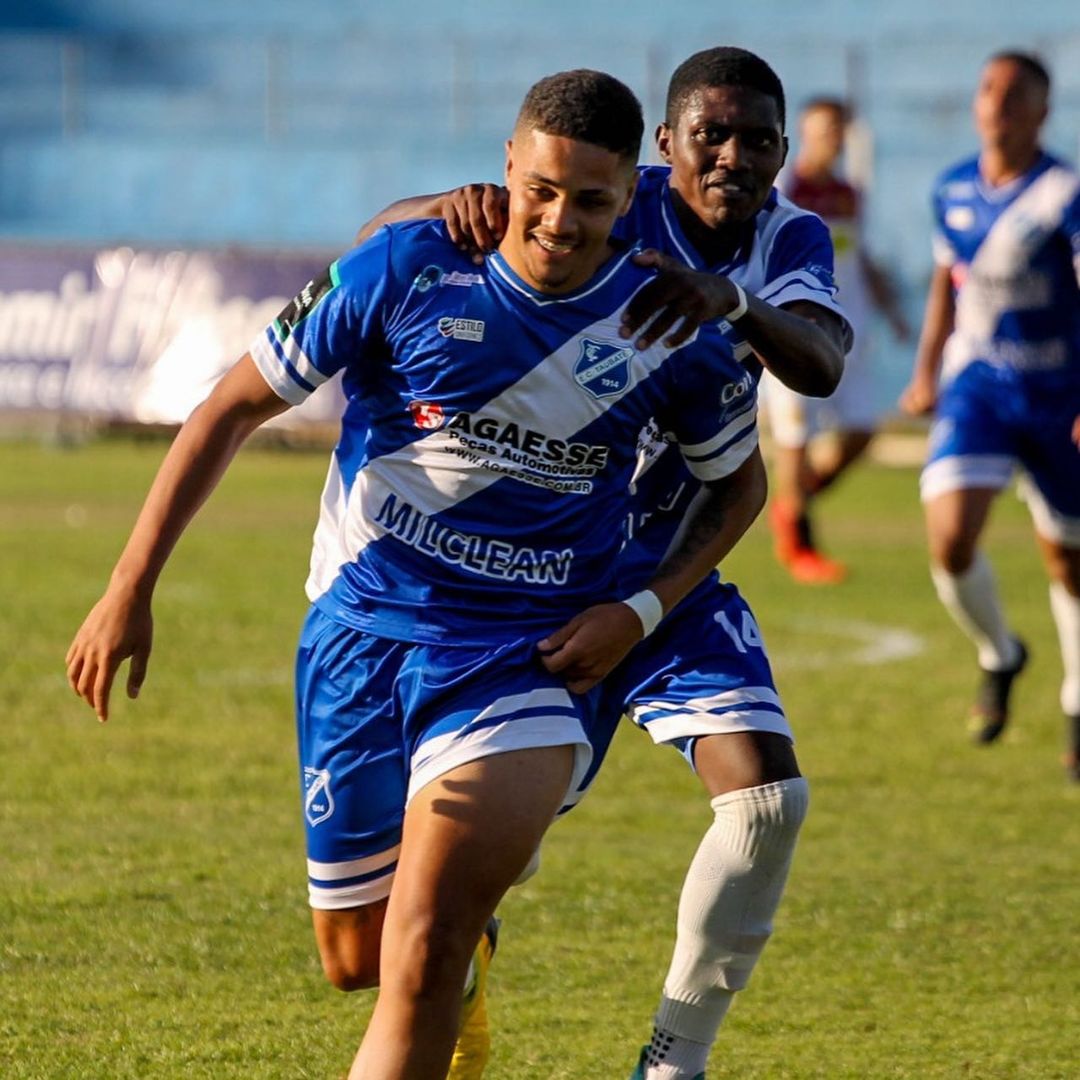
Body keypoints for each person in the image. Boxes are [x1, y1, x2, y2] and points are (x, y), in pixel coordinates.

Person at [66, 69, 772, 1080]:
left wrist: (642, 605)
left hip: (521, 664)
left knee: (424, 947)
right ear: (506, 169)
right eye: (540, 190)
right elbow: (228, 409)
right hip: (359, 640)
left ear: (634, 195)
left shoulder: (664, 326)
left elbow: (737, 487)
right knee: (358, 959)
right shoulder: (408, 267)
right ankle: (468, 966)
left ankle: (453, 959)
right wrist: (130, 587)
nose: (560, 222)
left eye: (592, 201)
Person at [357, 46, 851, 1080]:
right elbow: (382, 244)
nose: (732, 154)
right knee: (482, 871)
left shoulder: (789, 235)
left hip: (673, 564)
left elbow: (819, 361)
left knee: (766, 800)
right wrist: (445, 205)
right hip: (538, 578)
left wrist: (732, 303)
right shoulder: (614, 200)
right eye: (709, 133)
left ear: (782, 151)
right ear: (665, 148)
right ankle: (466, 973)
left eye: (758, 137)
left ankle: (673, 1063)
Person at [900, 51, 1080, 779]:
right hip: (978, 387)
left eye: (1016, 94)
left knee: (1068, 562)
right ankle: (1001, 653)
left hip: (1060, 397)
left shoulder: (1065, 194)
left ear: (1042, 110)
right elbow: (947, 283)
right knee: (949, 539)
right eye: (988, 89)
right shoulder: (950, 189)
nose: (998, 102)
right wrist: (924, 371)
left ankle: (1075, 702)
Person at [762, 95, 910, 584]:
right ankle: (799, 544)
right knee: (796, 439)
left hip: (848, 334)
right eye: (821, 130)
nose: (830, 139)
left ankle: (791, 503)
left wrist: (891, 311)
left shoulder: (849, 194)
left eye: (837, 130)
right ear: (803, 134)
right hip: (793, 331)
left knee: (862, 432)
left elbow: (858, 257)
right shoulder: (785, 189)